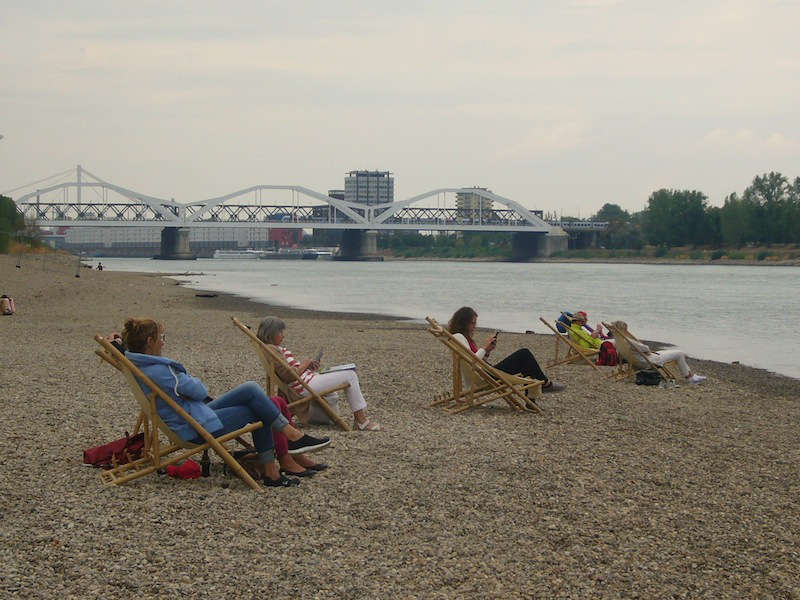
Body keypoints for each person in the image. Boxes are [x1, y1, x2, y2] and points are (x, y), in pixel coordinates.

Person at [120, 317, 331, 487]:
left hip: (192, 415)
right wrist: (188, 378)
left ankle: (286, 445)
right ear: (149, 342)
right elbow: (199, 390)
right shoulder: (160, 371)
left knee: (251, 390)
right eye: (160, 337)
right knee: (259, 406)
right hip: (192, 426)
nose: (163, 341)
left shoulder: (140, 364)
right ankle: (277, 462)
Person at [257, 316, 382, 431]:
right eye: (280, 332)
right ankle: (361, 421)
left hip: (305, 381)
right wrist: (304, 364)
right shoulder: (271, 349)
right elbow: (288, 376)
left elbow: (291, 373)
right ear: (271, 333)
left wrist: (308, 368)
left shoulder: (272, 348)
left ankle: (329, 418)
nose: (283, 336)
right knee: (350, 375)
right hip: (303, 386)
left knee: (338, 384)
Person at [447, 306, 565, 393]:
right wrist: (484, 347)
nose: (475, 326)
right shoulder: (458, 337)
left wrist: (487, 351)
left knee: (524, 362)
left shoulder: (464, 338)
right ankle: (545, 384)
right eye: (472, 323)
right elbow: (471, 362)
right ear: (464, 323)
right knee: (523, 354)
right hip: (483, 377)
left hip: (485, 373)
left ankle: (536, 393)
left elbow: (477, 361)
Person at [610, 320, 706, 384]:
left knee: (668, 352)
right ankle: (690, 378)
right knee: (679, 353)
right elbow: (646, 349)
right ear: (623, 330)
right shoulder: (628, 341)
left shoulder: (617, 342)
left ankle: (690, 375)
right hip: (649, 361)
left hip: (638, 362)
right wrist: (640, 345)